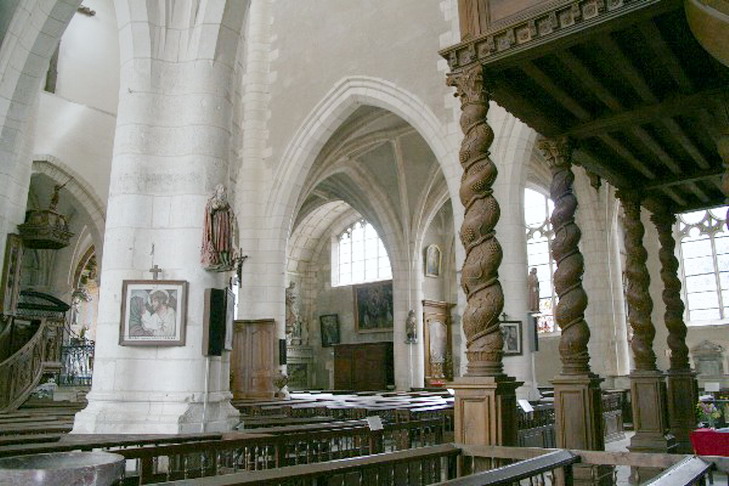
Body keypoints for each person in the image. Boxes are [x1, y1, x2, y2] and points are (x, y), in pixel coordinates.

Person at [201, 184, 236, 270]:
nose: (222, 191)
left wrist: (230, 211)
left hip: (225, 223)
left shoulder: (225, 202)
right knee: (219, 242)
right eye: (221, 189)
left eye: (223, 189)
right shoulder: (214, 200)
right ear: (217, 191)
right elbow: (211, 210)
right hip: (217, 223)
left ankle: (226, 260)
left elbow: (229, 209)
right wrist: (216, 207)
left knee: (225, 241)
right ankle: (219, 259)